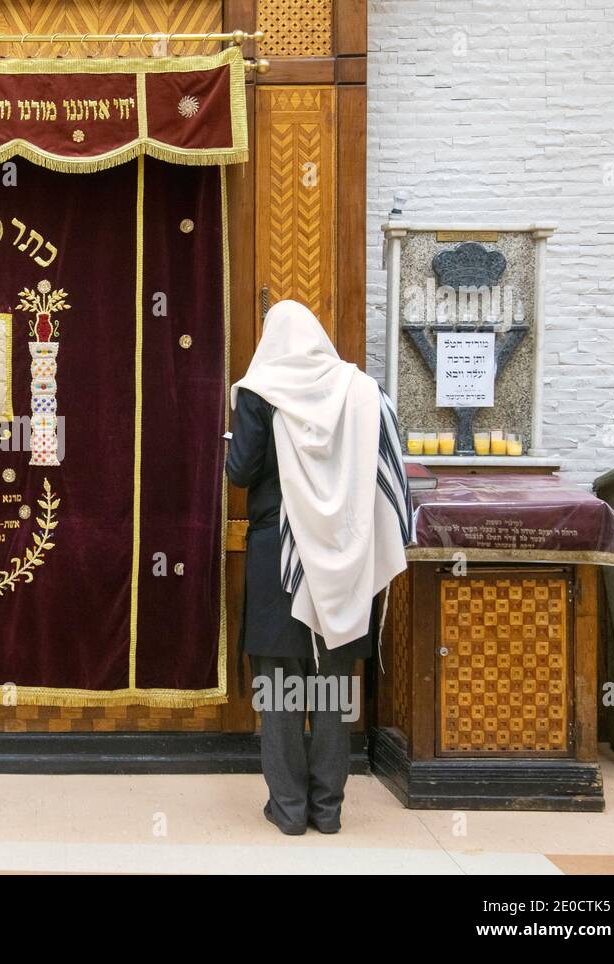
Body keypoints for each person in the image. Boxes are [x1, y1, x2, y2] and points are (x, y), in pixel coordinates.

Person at [227, 300, 410, 835]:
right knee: (331, 688)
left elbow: (240, 472)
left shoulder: (261, 390)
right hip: (345, 557)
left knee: (281, 689)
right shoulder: (363, 392)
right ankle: (327, 811)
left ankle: (287, 810)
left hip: (278, 561)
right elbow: (387, 474)